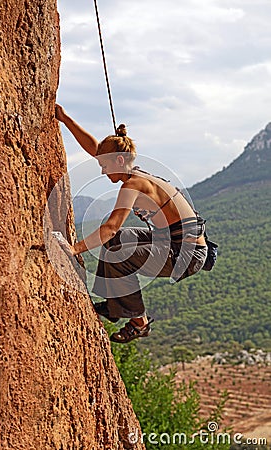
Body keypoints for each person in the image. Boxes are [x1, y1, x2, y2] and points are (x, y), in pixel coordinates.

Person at [54, 104, 207, 344]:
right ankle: (116, 306)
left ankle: (138, 321)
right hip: (176, 243)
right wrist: (65, 119)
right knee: (115, 243)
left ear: (119, 159)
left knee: (119, 251)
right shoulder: (133, 172)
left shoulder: (133, 185)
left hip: (185, 254)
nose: (103, 171)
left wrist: (74, 249)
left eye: (104, 166)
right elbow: (96, 150)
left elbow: (111, 226)